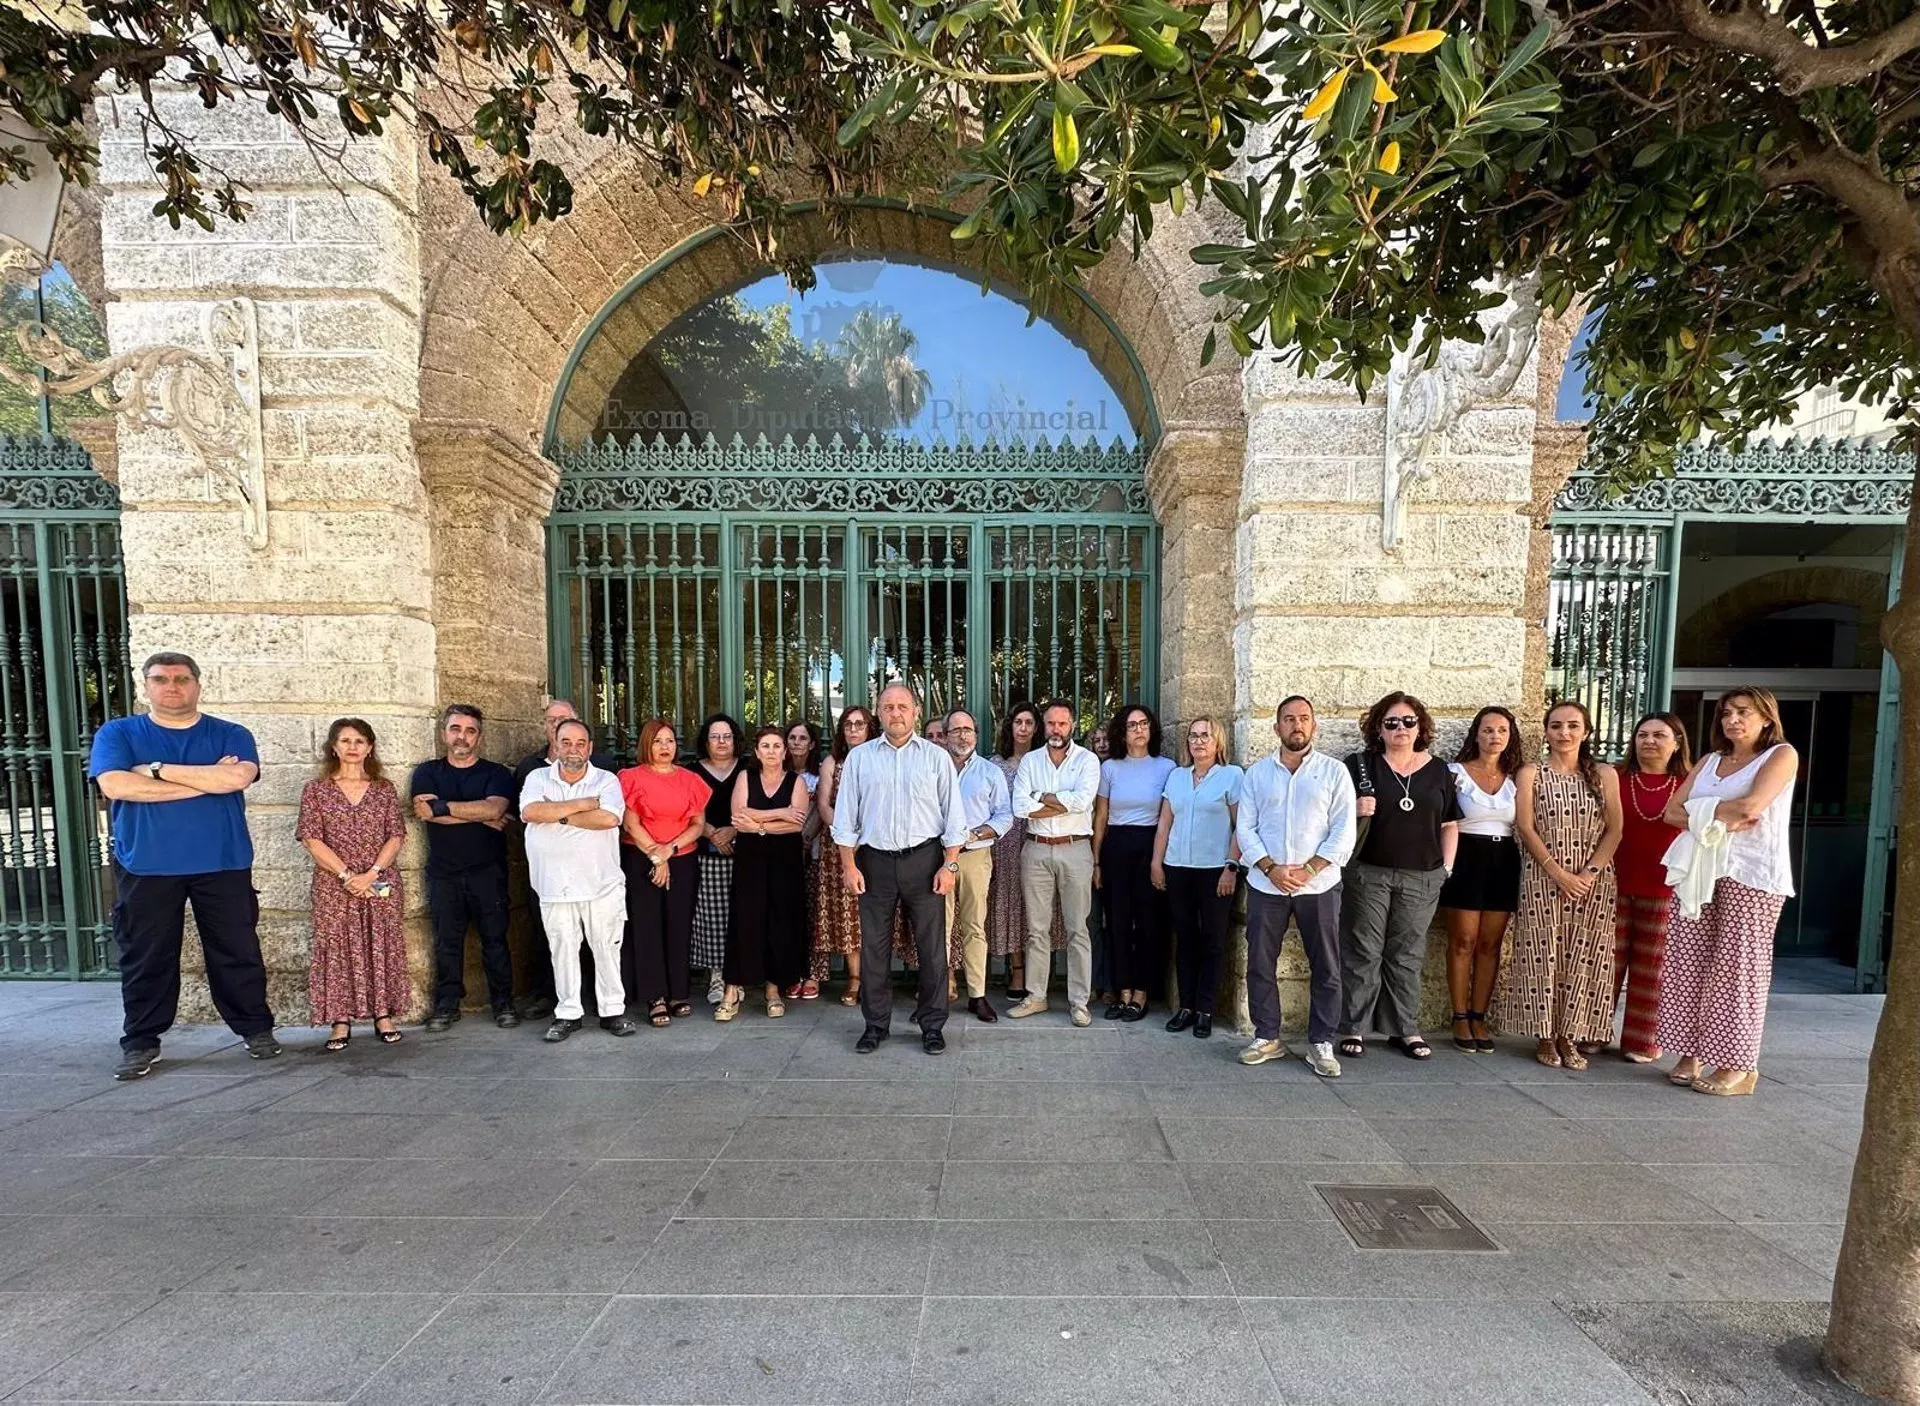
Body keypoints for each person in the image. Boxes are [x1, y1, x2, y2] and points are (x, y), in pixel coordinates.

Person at [88, 652, 279, 1080]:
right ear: (145, 686)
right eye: (160, 679)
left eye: (181, 679)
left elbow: (235, 779)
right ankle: (141, 1041)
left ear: (197, 684)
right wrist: (205, 780)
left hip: (223, 862)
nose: (171, 686)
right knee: (146, 956)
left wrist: (154, 772)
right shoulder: (119, 733)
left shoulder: (230, 733)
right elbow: (117, 785)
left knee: (237, 951)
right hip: (147, 865)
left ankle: (255, 1029)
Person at [1656, 687, 1799, 1096]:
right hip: (1700, 871)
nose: (1732, 720)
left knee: (1738, 969)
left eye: (1743, 712)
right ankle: (1690, 1052)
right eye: (1726, 714)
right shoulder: (1709, 761)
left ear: (1766, 718)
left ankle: (1738, 1063)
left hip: (1750, 873)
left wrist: (1700, 813)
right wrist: (1722, 815)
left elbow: (1753, 807)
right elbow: (1669, 812)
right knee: (1689, 962)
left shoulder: (1780, 756)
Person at [830, 683, 967, 1054]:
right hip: (874, 862)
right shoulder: (860, 759)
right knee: (874, 949)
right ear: (879, 712)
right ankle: (875, 1025)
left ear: (916, 711)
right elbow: (844, 820)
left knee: (932, 949)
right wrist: (848, 865)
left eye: (902, 706)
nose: (896, 713)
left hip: (925, 861)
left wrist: (949, 865)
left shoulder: (936, 758)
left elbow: (955, 818)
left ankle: (933, 1026)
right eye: (888, 707)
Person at [1497, 701, 1624, 1070]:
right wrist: (1557, 872)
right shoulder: (1531, 773)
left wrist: (1588, 874)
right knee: (1543, 953)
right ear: (1547, 731)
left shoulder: (1604, 774)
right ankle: (1545, 1035)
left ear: (1586, 731)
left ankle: (1572, 1034)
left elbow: (1615, 828)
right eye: (1556, 725)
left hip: (1593, 880)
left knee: (1584, 955)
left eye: (1572, 725)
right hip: (1543, 876)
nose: (1564, 733)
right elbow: (1524, 826)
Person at [1234, 697, 1356, 1076]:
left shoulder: (1334, 773)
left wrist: (1308, 869)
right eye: (1289, 719)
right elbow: (1245, 828)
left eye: (1303, 719)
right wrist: (1270, 868)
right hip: (1266, 885)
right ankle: (1266, 1035)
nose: (1296, 725)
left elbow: (1343, 829)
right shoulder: (1256, 774)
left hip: (1317, 886)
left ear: (1314, 726)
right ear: (1277, 728)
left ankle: (1321, 1041)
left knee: (1327, 964)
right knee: (1259, 962)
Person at [1338, 691, 1461, 1061]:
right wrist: (1353, 807)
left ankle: (1404, 1029)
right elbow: (1330, 815)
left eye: (1408, 721)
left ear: (1420, 726)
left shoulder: (1439, 770)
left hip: (1422, 876)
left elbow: (1450, 823)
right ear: (1379, 727)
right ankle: (1354, 1027)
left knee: (1407, 954)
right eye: (1391, 722)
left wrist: (1446, 868)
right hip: (1368, 873)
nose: (1401, 728)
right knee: (1363, 951)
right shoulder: (1360, 765)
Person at [521, 719, 636, 1041]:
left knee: (607, 948)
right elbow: (530, 812)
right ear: (555, 745)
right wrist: (584, 805)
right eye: (566, 742)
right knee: (562, 949)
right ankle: (568, 1013)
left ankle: (613, 1011)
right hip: (553, 884)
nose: (573, 748)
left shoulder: (607, 780)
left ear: (590, 747)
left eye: (580, 742)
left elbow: (609, 818)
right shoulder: (536, 777)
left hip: (601, 883)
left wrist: (556, 813)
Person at [298, 718, 407, 1051]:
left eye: (360, 741)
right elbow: (311, 839)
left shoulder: (384, 789)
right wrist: (346, 875)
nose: (352, 747)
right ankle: (340, 1019)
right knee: (338, 948)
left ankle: (383, 1015)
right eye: (345, 741)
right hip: (334, 884)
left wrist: (371, 873)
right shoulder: (316, 790)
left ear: (369, 747)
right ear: (333, 746)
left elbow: (396, 835)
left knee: (380, 944)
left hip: (379, 880)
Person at [411, 703, 518, 1032]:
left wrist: (445, 808)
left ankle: (503, 1003)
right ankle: (447, 1005)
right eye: (456, 729)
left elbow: (496, 807)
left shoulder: (496, 773)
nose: (462, 737)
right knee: (447, 941)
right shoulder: (428, 772)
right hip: (444, 871)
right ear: (444, 733)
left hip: (488, 870)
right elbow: (424, 812)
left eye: (470, 731)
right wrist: (480, 814)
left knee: (496, 939)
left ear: (479, 738)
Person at [1008, 700, 1101, 1026]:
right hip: (1035, 850)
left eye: (1062, 724)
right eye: (1051, 724)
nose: (1056, 730)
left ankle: (1079, 1002)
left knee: (1078, 930)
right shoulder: (1030, 761)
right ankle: (1036, 997)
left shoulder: (1087, 761)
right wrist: (1060, 801)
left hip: (1076, 849)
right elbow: (1020, 807)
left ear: (1072, 725)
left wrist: (1042, 796)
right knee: (1037, 930)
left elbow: (1082, 801)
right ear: (1043, 726)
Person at [1151, 714, 1244, 1040]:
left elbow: (1240, 827)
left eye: (1205, 735)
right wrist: (1156, 863)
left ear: (1218, 742)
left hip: (1214, 872)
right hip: (1178, 869)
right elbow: (1164, 823)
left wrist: (1231, 865)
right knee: (1186, 941)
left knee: (1213, 942)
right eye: (1193, 736)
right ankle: (1186, 1006)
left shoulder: (1232, 777)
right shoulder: (1177, 777)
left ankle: (1206, 1009)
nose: (1198, 741)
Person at [1439, 706, 1525, 1054]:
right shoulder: (1454, 773)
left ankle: (1479, 1015)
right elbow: (1443, 820)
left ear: (1510, 736)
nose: (1494, 737)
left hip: (1503, 857)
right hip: (1465, 855)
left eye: (1501, 730)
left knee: (1491, 944)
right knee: (1463, 940)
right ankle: (1459, 1015)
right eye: (1488, 730)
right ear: (1476, 734)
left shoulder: (1517, 778)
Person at [617, 718, 710, 1027]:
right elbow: (631, 823)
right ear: (646, 744)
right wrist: (657, 857)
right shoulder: (630, 777)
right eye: (657, 741)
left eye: (670, 741)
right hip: (642, 858)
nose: (664, 747)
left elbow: (697, 824)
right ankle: (654, 996)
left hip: (682, 858)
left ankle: (677, 991)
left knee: (678, 925)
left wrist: (669, 850)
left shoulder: (690, 780)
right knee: (647, 927)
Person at [1609, 712, 1690, 1063]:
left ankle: (1642, 1041)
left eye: (1659, 735)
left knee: (1651, 969)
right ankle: (1591, 1031)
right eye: (1642, 734)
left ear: (1676, 743)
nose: (1649, 741)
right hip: (1613, 883)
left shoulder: (1689, 782)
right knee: (1604, 963)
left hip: (1665, 887)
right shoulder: (1614, 777)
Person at [721, 725, 812, 1020]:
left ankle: (773, 991)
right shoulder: (745, 777)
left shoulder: (795, 781)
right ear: (757, 752)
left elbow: (797, 824)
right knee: (745, 922)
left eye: (777, 746)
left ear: (784, 752)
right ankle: (731, 991)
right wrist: (779, 814)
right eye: (766, 746)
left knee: (779, 923)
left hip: (786, 863)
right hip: (751, 862)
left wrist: (757, 824)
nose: (771, 751)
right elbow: (738, 816)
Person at [1095, 704, 1176, 1020]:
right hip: (1115, 847)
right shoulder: (1111, 768)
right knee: (1116, 923)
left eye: (1144, 724)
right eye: (1132, 725)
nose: (1139, 729)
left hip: (1150, 846)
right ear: (1122, 732)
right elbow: (1101, 816)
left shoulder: (1166, 767)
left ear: (1151, 729)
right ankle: (1121, 990)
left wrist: (1158, 860)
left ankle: (1141, 994)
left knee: (1147, 924)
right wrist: (1096, 862)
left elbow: (1169, 817)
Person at [812, 706, 889, 1006]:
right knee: (846, 915)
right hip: (840, 848)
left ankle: (876, 979)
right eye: (848, 725)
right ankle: (855, 979)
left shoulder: (879, 759)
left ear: (870, 728)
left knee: (875, 914)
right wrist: (847, 835)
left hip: (876, 845)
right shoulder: (834, 762)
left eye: (860, 724)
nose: (854, 729)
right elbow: (823, 806)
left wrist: (864, 835)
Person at [986, 702, 1063, 999]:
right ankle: (1016, 968)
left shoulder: (1046, 763)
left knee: (1038, 904)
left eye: (1029, 723)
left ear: (1037, 728)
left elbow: (1058, 802)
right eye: (1018, 722)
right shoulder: (994, 764)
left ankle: (1037, 969)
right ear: (1010, 726)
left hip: (1037, 836)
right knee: (1009, 902)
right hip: (1004, 842)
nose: (1023, 728)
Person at [946, 708, 1013, 1023]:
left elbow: (1004, 815)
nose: (962, 735)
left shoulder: (990, 772)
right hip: (939, 858)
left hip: (975, 856)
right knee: (938, 929)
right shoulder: (935, 769)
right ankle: (935, 996)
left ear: (976, 734)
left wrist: (976, 832)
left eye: (968, 730)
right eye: (956, 730)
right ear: (946, 736)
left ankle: (977, 996)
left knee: (974, 927)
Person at [686, 713, 745, 1005]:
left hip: (744, 852)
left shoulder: (749, 769)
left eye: (727, 736)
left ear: (735, 740)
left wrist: (733, 830)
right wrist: (712, 834)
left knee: (742, 915)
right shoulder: (692, 772)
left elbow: (759, 803)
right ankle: (717, 977)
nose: (721, 742)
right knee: (711, 918)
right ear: (705, 741)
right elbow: (686, 809)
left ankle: (740, 975)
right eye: (715, 737)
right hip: (706, 854)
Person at [784, 719, 824, 1000]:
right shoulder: (775, 774)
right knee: (788, 915)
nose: (796, 742)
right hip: (780, 852)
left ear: (811, 744)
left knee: (812, 915)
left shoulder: (819, 776)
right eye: (792, 737)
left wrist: (804, 839)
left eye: (802, 738)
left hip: (810, 853)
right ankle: (788, 972)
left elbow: (821, 811)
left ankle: (812, 974)